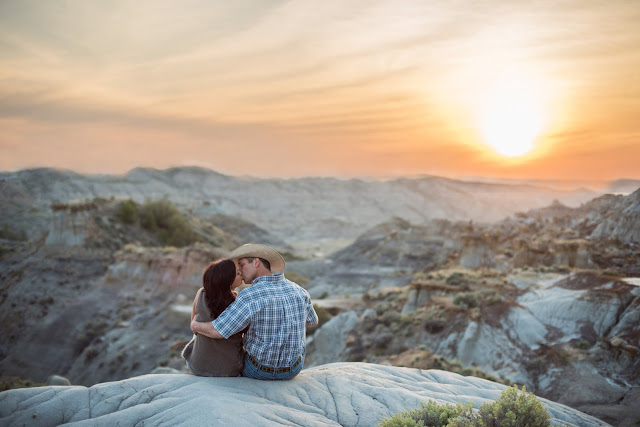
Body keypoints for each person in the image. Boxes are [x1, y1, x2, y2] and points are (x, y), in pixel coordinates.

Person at [191, 243, 318, 380]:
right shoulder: (299, 291)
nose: (239, 269)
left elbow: (218, 331)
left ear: (256, 262)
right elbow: (312, 321)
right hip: (293, 370)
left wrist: (195, 325)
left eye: (242, 264)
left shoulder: (249, 295)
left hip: (258, 371)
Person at [182, 259, 245, 376]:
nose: (241, 273)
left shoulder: (201, 293)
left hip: (197, 367)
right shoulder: (238, 302)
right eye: (237, 273)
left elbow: (194, 328)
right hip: (228, 370)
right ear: (227, 280)